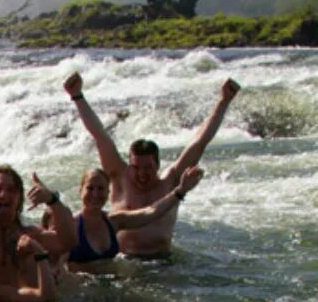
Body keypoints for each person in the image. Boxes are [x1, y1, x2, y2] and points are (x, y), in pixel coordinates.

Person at [64, 72, 240, 258]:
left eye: (148, 168)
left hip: (162, 264)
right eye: (136, 167)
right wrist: (77, 97)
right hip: (126, 262)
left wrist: (224, 101)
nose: (141, 174)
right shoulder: (119, 177)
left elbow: (200, 141)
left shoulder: (171, 181)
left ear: (157, 165)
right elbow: (100, 135)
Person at [62, 166, 205, 268]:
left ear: (108, 193)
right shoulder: (69, 225)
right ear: (80, 191)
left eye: (101, 189)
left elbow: (151, 212)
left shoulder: (113, 222)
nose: (95, 194)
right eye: (90, 188)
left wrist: (181, 190)